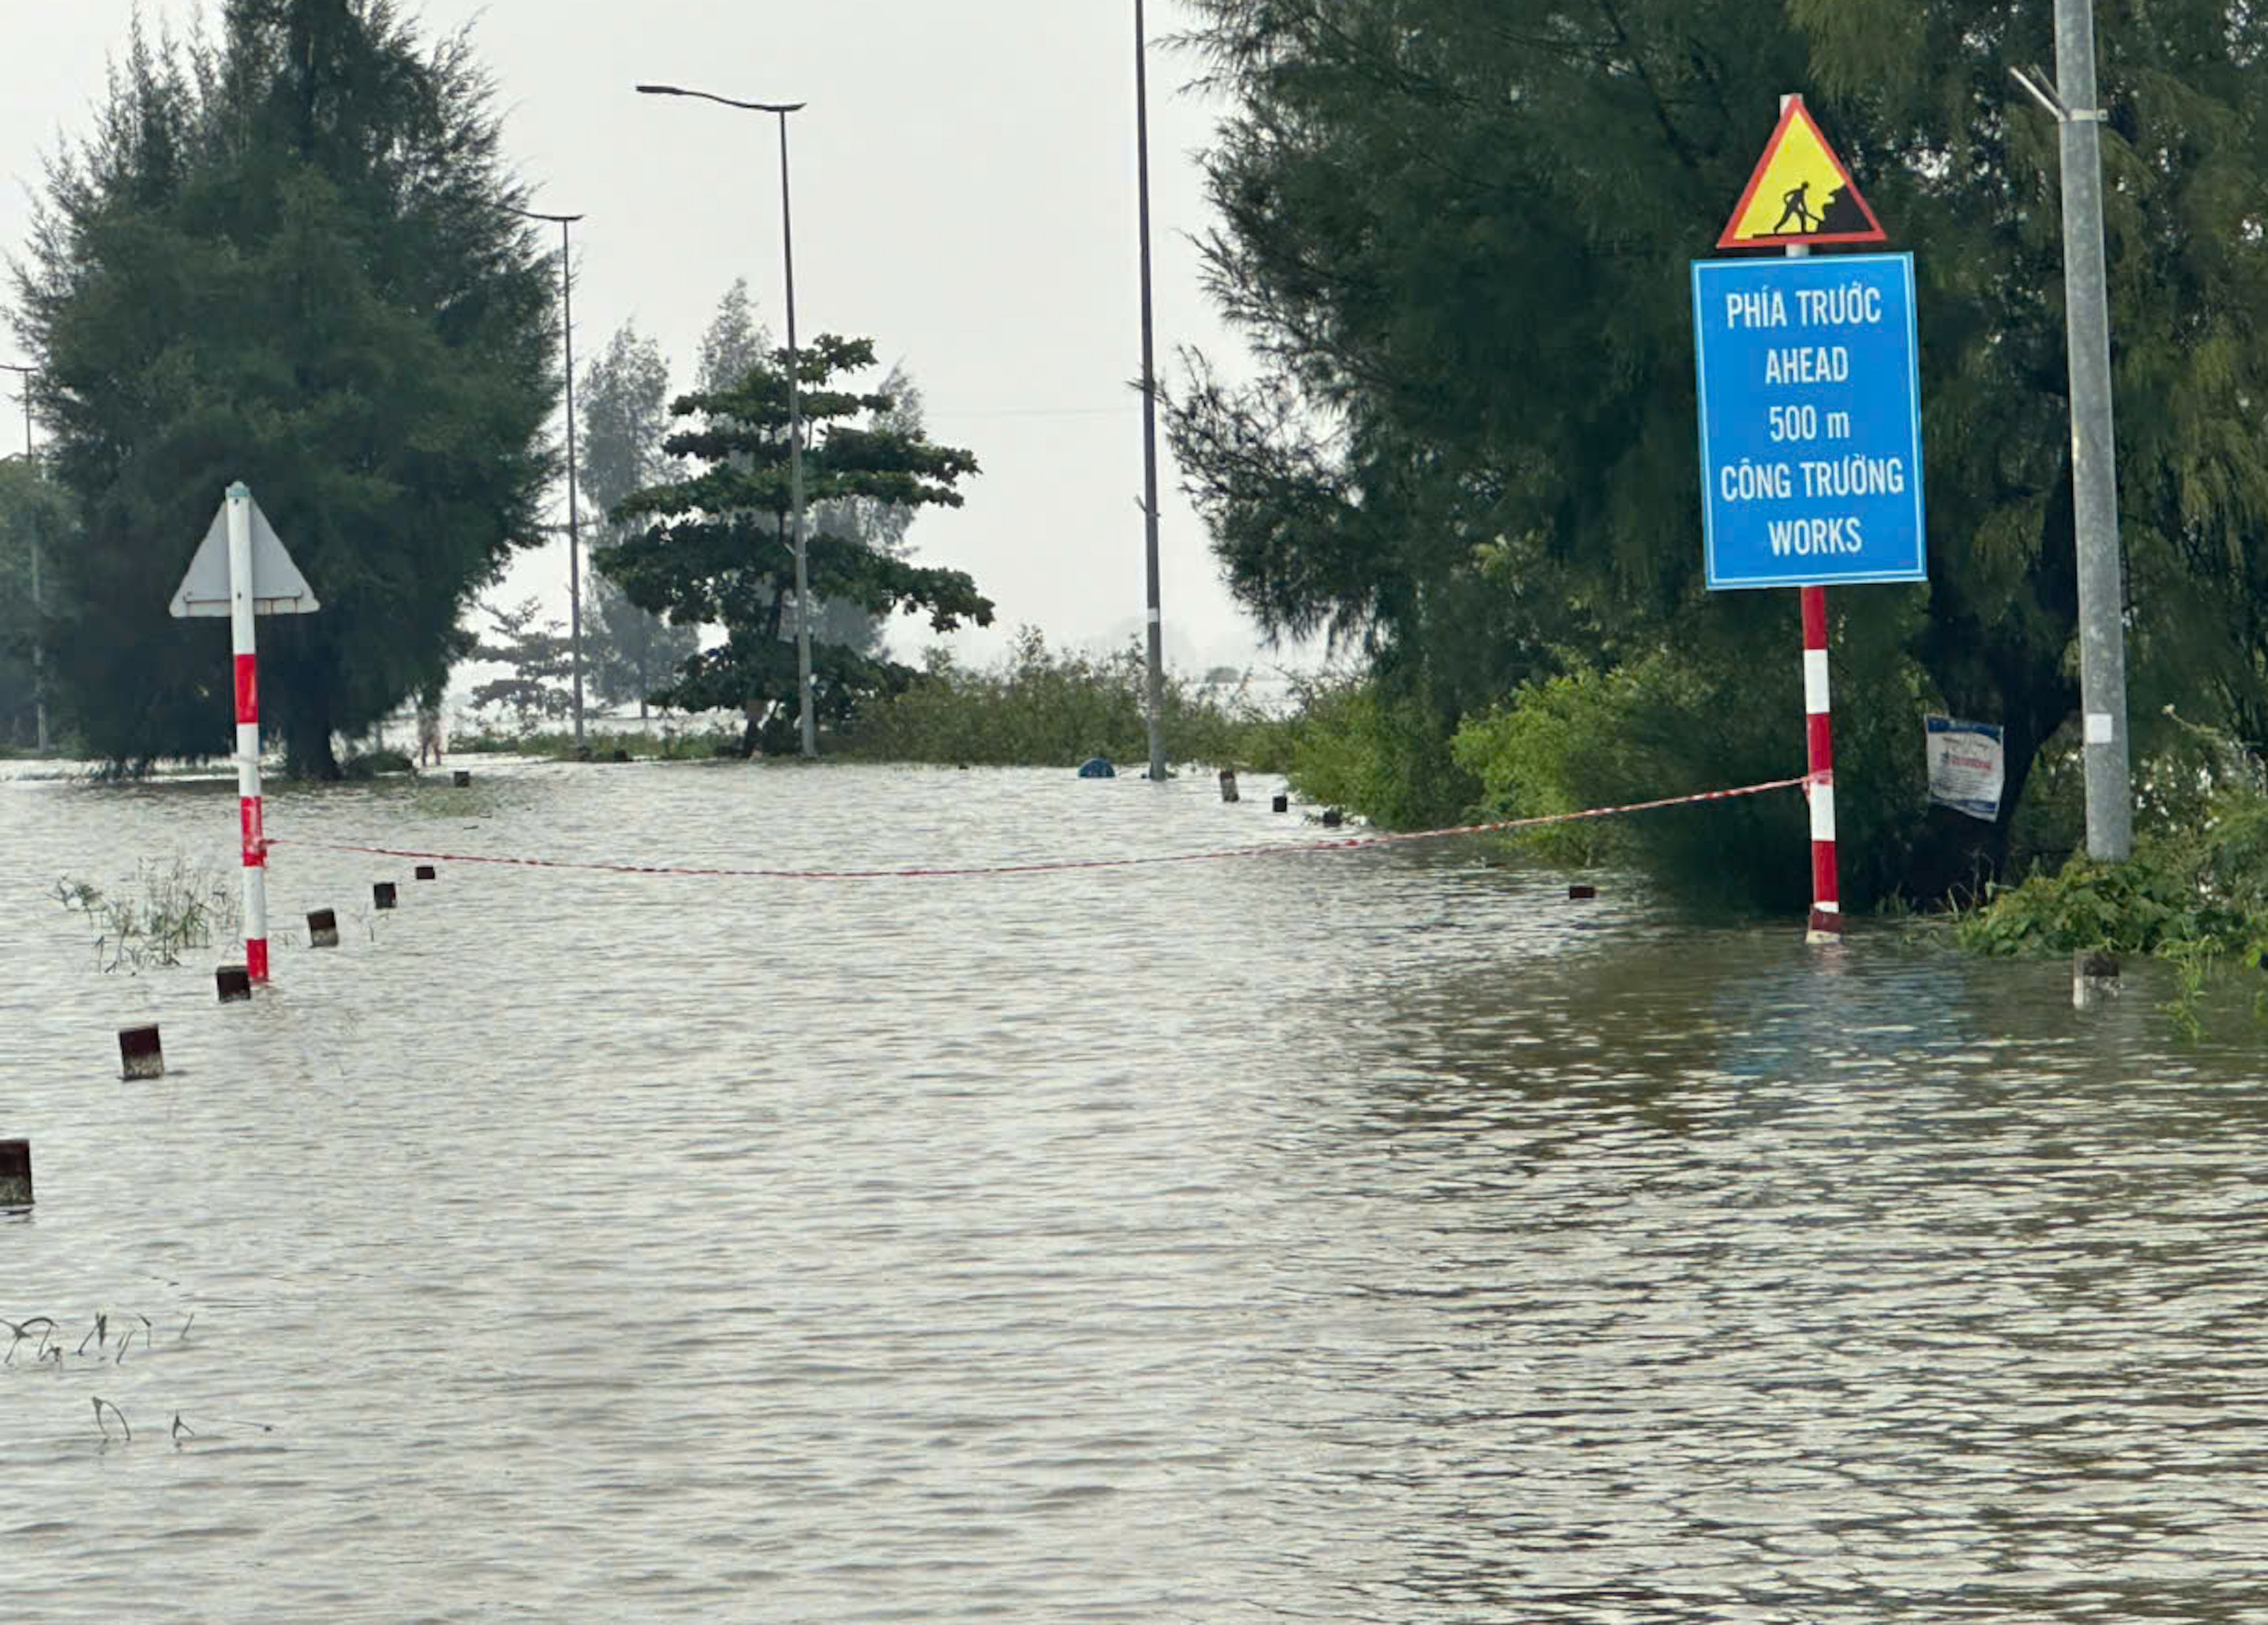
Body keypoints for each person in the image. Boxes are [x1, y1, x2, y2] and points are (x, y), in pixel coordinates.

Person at [417, 697, 444, 767]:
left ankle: (438, 761)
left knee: (436, 747)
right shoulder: (422, 710)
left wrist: (433, 712)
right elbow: (421, 720)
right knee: (424, 747)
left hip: (433, 729)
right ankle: (423, 762)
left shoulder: (434, 709)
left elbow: (438, 717)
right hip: (425, 731)